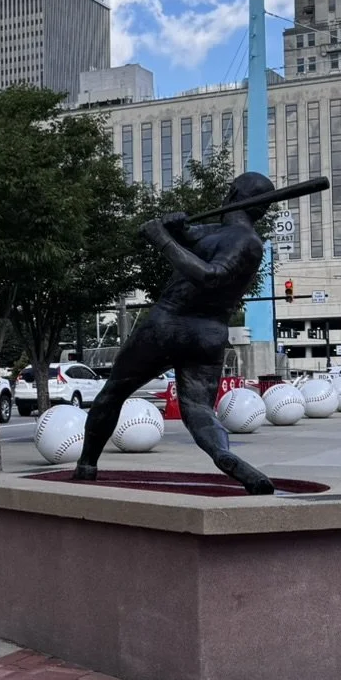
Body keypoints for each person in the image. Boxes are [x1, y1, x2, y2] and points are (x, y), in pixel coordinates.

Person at [74, 172, 274, 494]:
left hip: (170, 322)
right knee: (198, 409)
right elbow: (192, 236)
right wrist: (178, 228)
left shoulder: (245, 242)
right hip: (208, 335)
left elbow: (211, 276)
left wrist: (162, 239)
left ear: (234, 194)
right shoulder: (224, 233)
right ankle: (221, 453)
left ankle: (86, 466)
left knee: (113, 392)